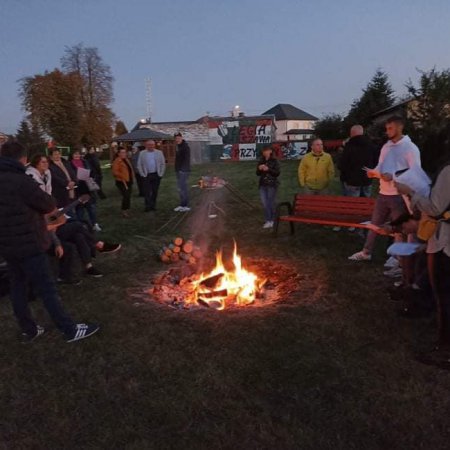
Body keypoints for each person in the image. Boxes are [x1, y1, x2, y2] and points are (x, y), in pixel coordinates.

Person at [0, 141, 99, 342]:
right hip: (30, 243)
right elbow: (48, 203)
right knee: (47, 289)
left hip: (7, 245)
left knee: (17, 286)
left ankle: (29, 329)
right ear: (23, 159)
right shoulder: (22, 181)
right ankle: (69, 329)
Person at [396, 163, 450, 368]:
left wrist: (411, 193)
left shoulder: (448, 172)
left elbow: (435, 208)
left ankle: (446, 350)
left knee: (445, 297)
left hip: (446, 244)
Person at [349, 116, 421, 261]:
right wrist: (374, 172)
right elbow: (381, 165)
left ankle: (396, 258)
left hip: (398, 195)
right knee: (374, 224)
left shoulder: (410, 148)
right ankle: (366, 252)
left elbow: (415, 172)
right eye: (386, 128)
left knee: (397, 228)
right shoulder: (387, 146)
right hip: (383, 193)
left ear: (400, 128)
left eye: (390, 128)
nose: (387, 131)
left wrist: (393, 176)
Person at [340, 125, 378, 198]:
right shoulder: (371, 145)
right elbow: (376, 161)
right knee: (365, 203)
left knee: (353, 204)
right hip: (367, 180)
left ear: (351, 133)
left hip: (352, 181)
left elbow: (342, 164)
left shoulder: (349, 146)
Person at [69, 150, 101, 231]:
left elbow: (92, 171)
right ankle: (81, 226)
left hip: (87, 187)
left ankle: (94, 224)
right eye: (75, 153)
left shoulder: (85, 162)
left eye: (78, 153)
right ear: (71, 155)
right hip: (78, 189)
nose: (77, 155)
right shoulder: (69, 164)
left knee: (91, 207)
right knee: (80, 209)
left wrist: (91, 175)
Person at [137, 139, 166, 212]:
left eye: (152, 145)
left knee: (154, 191)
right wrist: (142, 174)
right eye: (149, 145)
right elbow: (139, 165)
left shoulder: (159, 153)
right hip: (146, 175)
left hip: (156, 174)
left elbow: (163, 164)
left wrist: (161, 174)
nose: (151, 146)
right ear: (146, 145)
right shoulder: (142, 153)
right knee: (147, 191)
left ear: (154, 145)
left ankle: (153, 205)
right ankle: (147, 206)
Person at [256, 147, 280, 229]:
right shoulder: (261, 161)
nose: (265, 152)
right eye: (264, 151)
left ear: (271, 151)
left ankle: (272, 220)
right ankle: (267, 220)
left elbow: (277, 173)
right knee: (265, 203)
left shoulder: (275, 161)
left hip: (272, 185)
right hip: (262, 185)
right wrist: (259, 169)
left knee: (270, 203)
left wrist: (268, 169)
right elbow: (257, 173)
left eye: (267, 150)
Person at [112, 147, 134, 217]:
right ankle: (124, 211)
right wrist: (122, 175)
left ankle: (127, 209)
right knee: (126, 195)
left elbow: (130, 169)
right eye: (122, 152)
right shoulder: (117, 161)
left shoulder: (126, 160)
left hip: (129, 180)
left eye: (124, 152)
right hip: (122, 181)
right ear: (118, 154)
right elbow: (115, 172)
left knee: (128, 195)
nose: (124, 154)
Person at [173, 132, 191, 212]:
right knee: (180, 188)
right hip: (178, 170)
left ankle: (185, 205)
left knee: (183, 188)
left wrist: (182, 170)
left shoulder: (185, 147)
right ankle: (182, 204)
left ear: (181, 137)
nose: (177, 139)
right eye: (176, 138)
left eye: (178, 138)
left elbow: (186, 160)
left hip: (183, 171)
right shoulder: (178, 146)